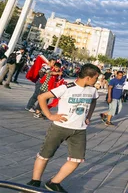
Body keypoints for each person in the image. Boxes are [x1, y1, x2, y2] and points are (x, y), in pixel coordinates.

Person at [27, 63, 100, 193]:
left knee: (77, 159)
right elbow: (42, 97)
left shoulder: (92, 90)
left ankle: (54, 182)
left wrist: (89, 115)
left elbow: (93, 101)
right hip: (60, 127)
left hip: (79, 130)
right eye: (96, 78)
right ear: (88, 77)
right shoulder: (67, 87)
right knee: (45, 155)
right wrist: (50, 115)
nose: (97, 80)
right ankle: (35, 181)